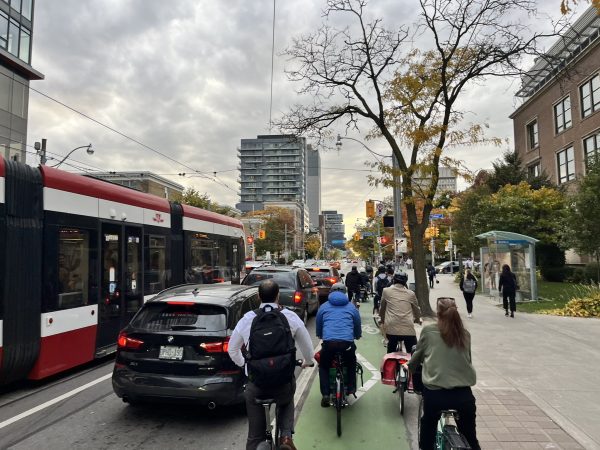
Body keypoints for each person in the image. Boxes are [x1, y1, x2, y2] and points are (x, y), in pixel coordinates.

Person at [228, 280, 314, 450]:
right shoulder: (290, 317)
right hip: (282, 382)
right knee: (287, 396)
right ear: (278, 296)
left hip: (257, 383)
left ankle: (256, 443)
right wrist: (308, 362)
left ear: (259, 296)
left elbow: (233, 350)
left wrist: (246, 367)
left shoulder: (248, 319)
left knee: (254, 435)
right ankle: (285, 437)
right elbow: (308, 350)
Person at [407, 297, 480, 450]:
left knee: (428, 428)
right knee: (470, 437)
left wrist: (410, 368)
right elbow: (468, 360)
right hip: (464, 395)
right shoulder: (465, 334)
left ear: (438, 314)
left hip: (436, 395)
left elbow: (418, 356)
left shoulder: (429, 331)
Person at [316, 282, 362, 407]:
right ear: (345, 293)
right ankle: (351, 387)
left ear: (331, 292)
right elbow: (357, 324)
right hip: (346, 343)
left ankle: (325, 394)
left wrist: (320, 334)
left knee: (324, 366)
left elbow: (319, 323)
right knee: (351, 362)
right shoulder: (351, 307)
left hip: (329, 343)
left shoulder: (324, 306)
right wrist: (357, 335)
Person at [379, 271, 421, 354]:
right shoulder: (411, 294)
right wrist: (418, 319)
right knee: (413, 353)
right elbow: (417, 310)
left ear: (393, 280)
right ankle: (413, 366)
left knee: (390, 351)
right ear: (405, 282)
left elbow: (382, 308)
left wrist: (382, 319)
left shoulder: (386, 291)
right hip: (408, 328)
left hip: (391, 327)